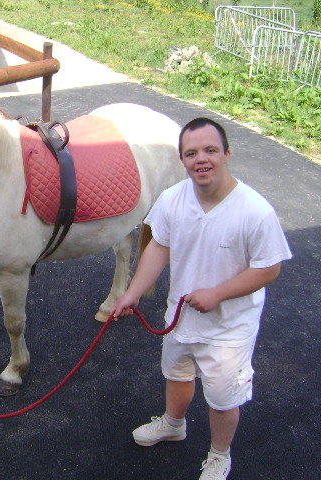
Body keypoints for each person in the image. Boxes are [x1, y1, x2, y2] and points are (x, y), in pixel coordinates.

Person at [112, 117, 292, 479]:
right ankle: (173, 424)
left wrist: (218, 293)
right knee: (177, 375)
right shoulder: (172, 199)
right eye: (191, 153)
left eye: (210, 150)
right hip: (180, 317)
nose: (201, 159)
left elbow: (269, 268)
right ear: (183, 160)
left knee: (223, 398)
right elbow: (159, 246)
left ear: (227, 154)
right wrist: (131, 293)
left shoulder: (255, 211)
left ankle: (219, 454)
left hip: (229, 329)